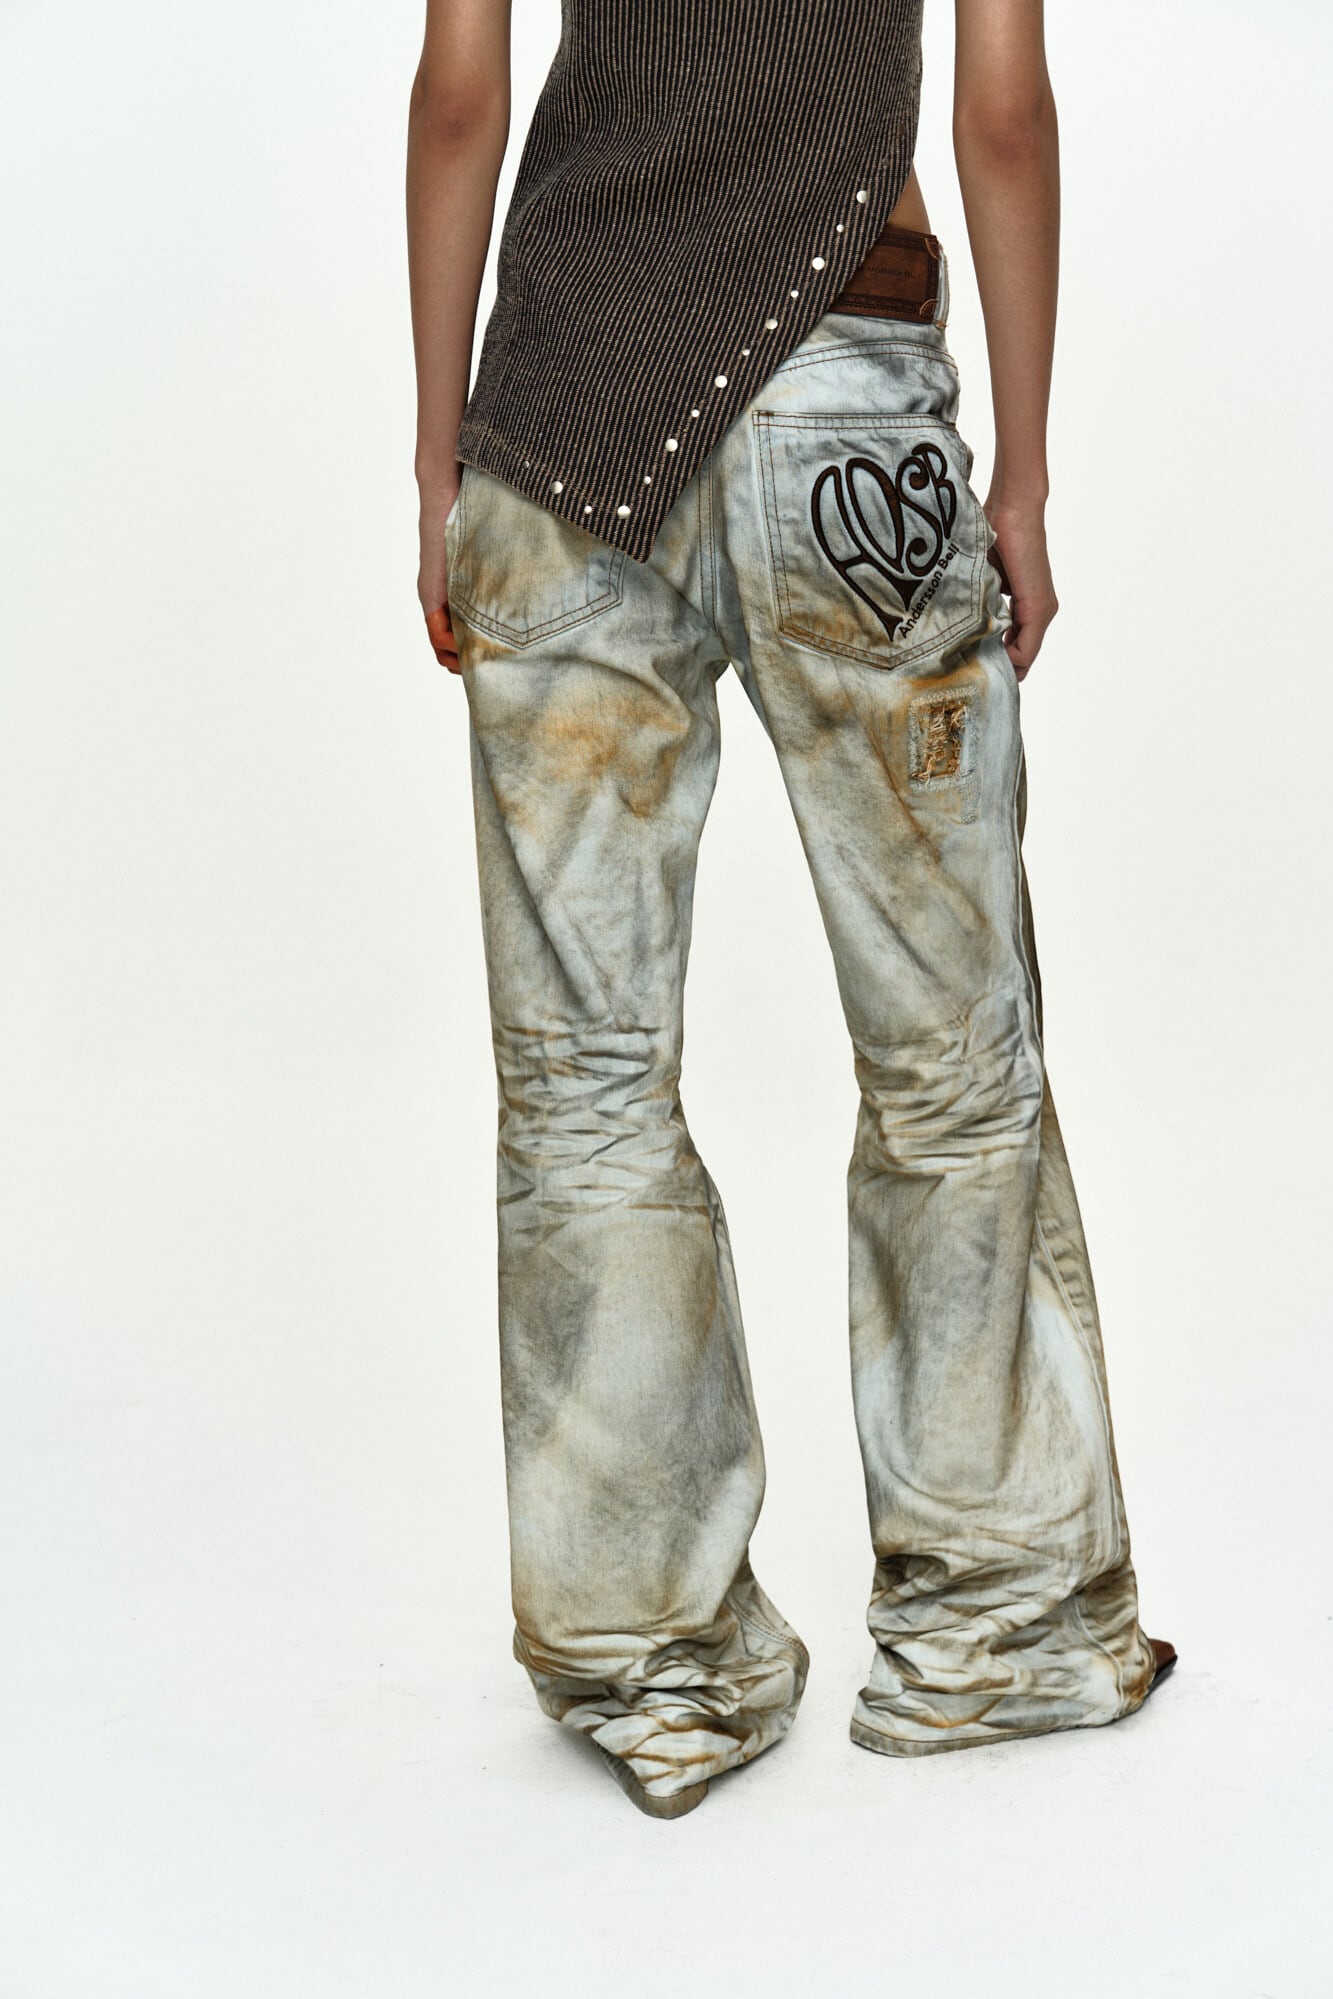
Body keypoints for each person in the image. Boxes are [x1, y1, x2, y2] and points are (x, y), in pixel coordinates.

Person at [406, 0, 1175, 1819]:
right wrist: (1023, 478)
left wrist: (440, 464)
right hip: (848, 427)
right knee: (947, 1060)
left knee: (584, 1087)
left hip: (560, 427)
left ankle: (650, 1668)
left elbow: (457, 100)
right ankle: (998, 1627)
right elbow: (1001, 113)